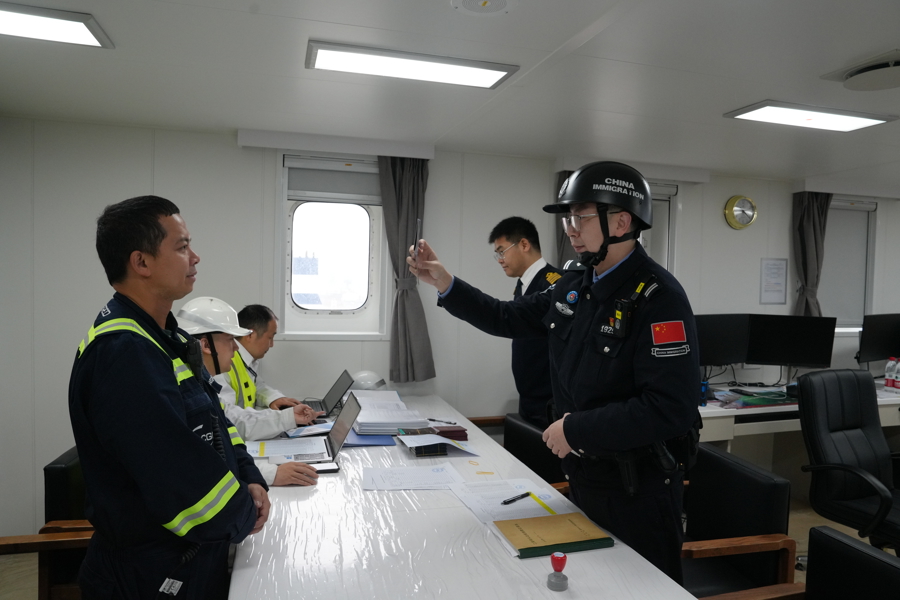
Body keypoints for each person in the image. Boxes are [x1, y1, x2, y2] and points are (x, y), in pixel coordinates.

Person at [408, 162, 700, 583]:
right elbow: (507, 317)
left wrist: (576, 429)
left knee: (642, 590)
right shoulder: (575, 284)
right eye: (568, 219)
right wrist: (445, 282)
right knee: (590, 585)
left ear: (622, 222)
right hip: (583, 478)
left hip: (638, 494)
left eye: (581, 217)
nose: (570, 230)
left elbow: (669, 408)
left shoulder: (659, 297)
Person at [68, 196, 270, 599]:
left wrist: (250, 477)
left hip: (190, 555)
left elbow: (217, 423)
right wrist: (244, 512)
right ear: (141, 262)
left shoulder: (166, 337)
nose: (195, 257)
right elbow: (174, 469)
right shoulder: (124, 350)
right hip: (151, 573)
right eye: (181, 247)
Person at [177, 297, 320, 488]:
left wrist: (284, 411)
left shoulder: (201, 385)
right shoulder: (188, 394)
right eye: (230, 339)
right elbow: (210, 456)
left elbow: (229, 428)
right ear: (206, 345)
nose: (237, 347)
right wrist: (269, 473)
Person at [488, 216, 561, 429]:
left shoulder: (555, 283)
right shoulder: (523, 283)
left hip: (549, 400)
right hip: (528, 397)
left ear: (524, 244)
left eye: (502, 251)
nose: (500, 259)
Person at [214, 304, 307, 412]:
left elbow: (256, 386)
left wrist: (275, 399)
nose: (271, 345)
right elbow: (228, 413)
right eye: (270, 337)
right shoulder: (223, 364)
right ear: (250, 335)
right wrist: (283, 417)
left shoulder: (245, 359)